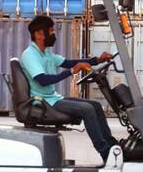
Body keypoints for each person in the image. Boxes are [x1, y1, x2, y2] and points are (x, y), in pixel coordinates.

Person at [19, 15, 118, 163]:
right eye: (51, 31)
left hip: (52, 98)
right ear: (38, 34)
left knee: (95, 106)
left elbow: (68, 62)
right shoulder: (30, 55)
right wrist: (72, 72)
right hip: (42, 102)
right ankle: (105, 153)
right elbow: (43, 80)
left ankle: (113, 146)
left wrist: (97, 60)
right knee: (87, 109)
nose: (54, 34)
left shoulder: (46, 52)